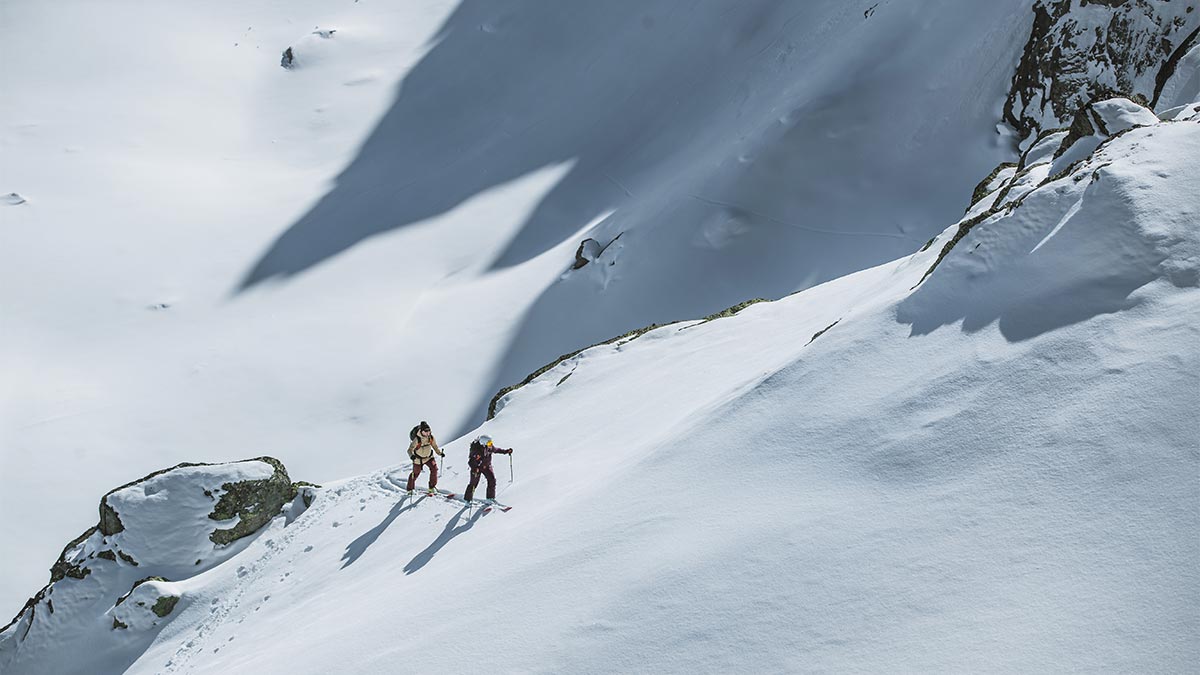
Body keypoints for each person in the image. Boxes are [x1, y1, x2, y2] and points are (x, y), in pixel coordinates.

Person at [463, 434, 513, 502]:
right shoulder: (476, 450)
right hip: (477, 468)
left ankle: (490, 498)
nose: (491, 444)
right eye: (489, 442)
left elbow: (496, 450)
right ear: (484, 442)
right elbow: (471, 461)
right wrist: (475, 468)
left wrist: (506, 451)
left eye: (491, 442)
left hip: (486, 466)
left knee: (492, 480)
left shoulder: (489, 447)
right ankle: (467, 500)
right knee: (473, 484)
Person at [406, 421, 445, 494]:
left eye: (429, 431)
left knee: (434, 469)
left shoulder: (431, 437)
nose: (428, 433)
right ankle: (410, 490)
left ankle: (431, 487)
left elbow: (434, 446)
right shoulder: (417, 439)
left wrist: (440, 453)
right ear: (421, 431)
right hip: (418, 460)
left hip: (429, 457)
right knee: (415, 474)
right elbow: (409, 450)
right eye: (425, 431)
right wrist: (412, 456)